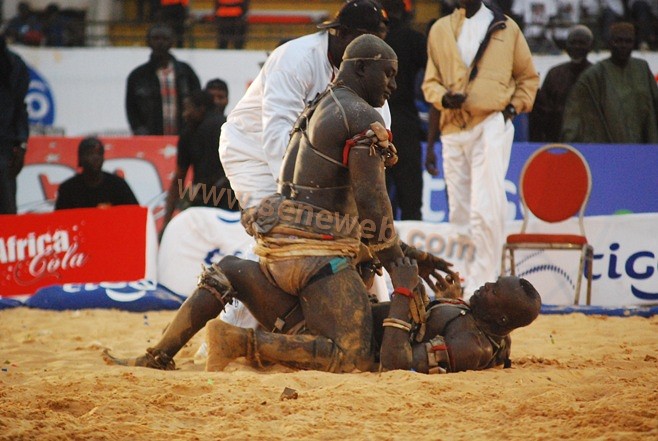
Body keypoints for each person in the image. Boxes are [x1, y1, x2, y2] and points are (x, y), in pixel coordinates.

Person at [104, 34, 447, 373]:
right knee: (352, 354)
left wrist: (407, 252)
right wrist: (399, 264)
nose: (394, 85)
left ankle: (160, 354)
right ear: (360, 69)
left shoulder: (317, 107)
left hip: (277, 253)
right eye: (387, 73)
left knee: (230, 270)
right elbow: (373, 207)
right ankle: (238, 343)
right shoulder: (359, 116)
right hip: (317, 260)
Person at [204, 258, 541, 374]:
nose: (485, 286)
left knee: (237, 270)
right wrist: (444, 300)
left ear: (502, 319)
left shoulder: (469, 347)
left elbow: (395, 364)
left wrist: (404, 293)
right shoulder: (489, 329)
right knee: (234, 267)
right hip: (345, 320)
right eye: (494, 282)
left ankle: (239, 343)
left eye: (494, 291)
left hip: (340, 345)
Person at [218, 0, 390, 211]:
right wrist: (297, 194)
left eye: (379, 43)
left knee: (326, 232)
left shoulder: (365, 70)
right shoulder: (295, 59)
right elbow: (276, 134)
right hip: (252, 151)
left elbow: (378, 134)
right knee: (279, 226)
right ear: (343, 33)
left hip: (308, 158)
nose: (375, 52)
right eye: (367, 41)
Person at [422, 0, 539, 295]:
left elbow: (528, 77)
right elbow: (430, 83)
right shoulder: (439, 29)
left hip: (491, 122)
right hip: (452, 128)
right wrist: (443, 98)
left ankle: (483, 284)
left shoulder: (507, 28)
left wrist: (510, 111)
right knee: (459, 212)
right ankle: (464, 279)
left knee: (485, 206)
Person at [561, 22, 658, 143]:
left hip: (643, 151)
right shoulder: (593, 75)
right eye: (618, 41)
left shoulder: (642, 69)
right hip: (606, 151)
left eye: (628, 41)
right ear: (609, 43)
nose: (623, 45)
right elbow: (574, 116)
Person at [161, 90, 237, 235]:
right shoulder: (229, 126)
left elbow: (179, 179)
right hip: (234, 200)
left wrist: (166, 223)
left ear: (201, 108)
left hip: (206, 201)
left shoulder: (188, 133)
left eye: (187, 108)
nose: (184, 114)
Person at [382, 0, 426, 220]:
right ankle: (413, 248)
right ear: (405, 10)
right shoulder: (414, 39)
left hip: (373, 123)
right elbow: (433, 75)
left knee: (376, 197)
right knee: (411, 198)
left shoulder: (367, 41)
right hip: (405, 122)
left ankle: (376, 249)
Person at [125, 23, 201, 135]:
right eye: (155, 38)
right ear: (148, 42)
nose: (160, 43)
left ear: (172, 41)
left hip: (184, 139)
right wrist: (140, 131)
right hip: (150, 140)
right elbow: (131, 110)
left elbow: (198, 103)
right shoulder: (137, 76)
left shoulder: (186, 72)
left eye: (165, 39)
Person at [530, 25, 594, 142]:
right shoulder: (554, 74)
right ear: (566, 46)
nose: (577, 46)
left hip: (590, 141)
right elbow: (543, 110)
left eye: (582, 43)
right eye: (573, 42)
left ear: (590, 47)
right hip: (556, 139)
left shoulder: (597, 75)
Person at [55, 137, 139, 210]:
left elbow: (134, 214)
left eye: (99, 154)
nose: (96, 158)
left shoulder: (118, 185)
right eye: (90, 154)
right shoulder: (68, 189)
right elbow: (60, 221)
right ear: (80, 158)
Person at [0, 33, 29, 214]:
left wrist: (22, 144)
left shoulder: (13, 64)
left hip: (4, 147)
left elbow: (20, 106)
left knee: (7, 210)